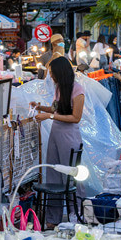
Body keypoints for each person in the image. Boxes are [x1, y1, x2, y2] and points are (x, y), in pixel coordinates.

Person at [30, 56, 85, 227]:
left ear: (60, 72)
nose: (51, 76)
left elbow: (75, 117)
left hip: (69, 137)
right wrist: (41, 108)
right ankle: (53, 219)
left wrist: (49, 116)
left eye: (52, 73)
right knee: (53, 174)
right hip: (56, 134)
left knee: (70, 177)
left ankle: (75, 216)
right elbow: (55, 108)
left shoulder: (78, 90)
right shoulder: (59, 88)